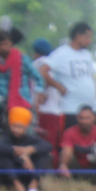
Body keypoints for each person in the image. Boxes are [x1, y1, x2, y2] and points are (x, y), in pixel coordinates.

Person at [43, 22, 96, 131]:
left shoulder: (87, 55)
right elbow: (42, 71)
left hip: (93, 110)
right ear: (77, 36)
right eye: (87, 37)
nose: (90, 40)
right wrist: (58, 86)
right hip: (71, 110)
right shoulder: (61, 53)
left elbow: (92, 79)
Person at [0, 29, 44, 111]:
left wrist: (38, 94)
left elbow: (38, 78)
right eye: (0, 45)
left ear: (11, 44)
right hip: (0, 101)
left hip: (21, 101)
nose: (3, 47)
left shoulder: (22, 59)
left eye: (6, 44)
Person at [0, 106, 51, 191]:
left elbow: (48, 146)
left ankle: (33, 186)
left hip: (27, 174)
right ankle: (19, 189)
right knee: (4, 155)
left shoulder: (30, 139)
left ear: (26, 127)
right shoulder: (5, 137)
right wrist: (21, 154)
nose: (16, 130)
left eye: (20, 127)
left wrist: (30, 149)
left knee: (43, 154)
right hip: (8, 178)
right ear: (9, 125)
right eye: (14, 126)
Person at [58, 105, 96, 185]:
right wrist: (63, 165)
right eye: (81, 118)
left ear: (94, 118)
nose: (84, 121)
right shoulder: (69, 132)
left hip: (93, 167)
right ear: (77, 118)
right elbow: (67, 151)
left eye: (87, 118)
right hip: (76, 167)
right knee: (64, 157)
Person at [31, 39, 63, 167]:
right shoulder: (46, 63)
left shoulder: (39, 63)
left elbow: (42, 77)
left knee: (41, 142)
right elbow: (43, 76)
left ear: (36, 53)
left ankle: (42, 168)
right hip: (49, 110)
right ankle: (48, 169)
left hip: (42, 110)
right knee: (49, 143)